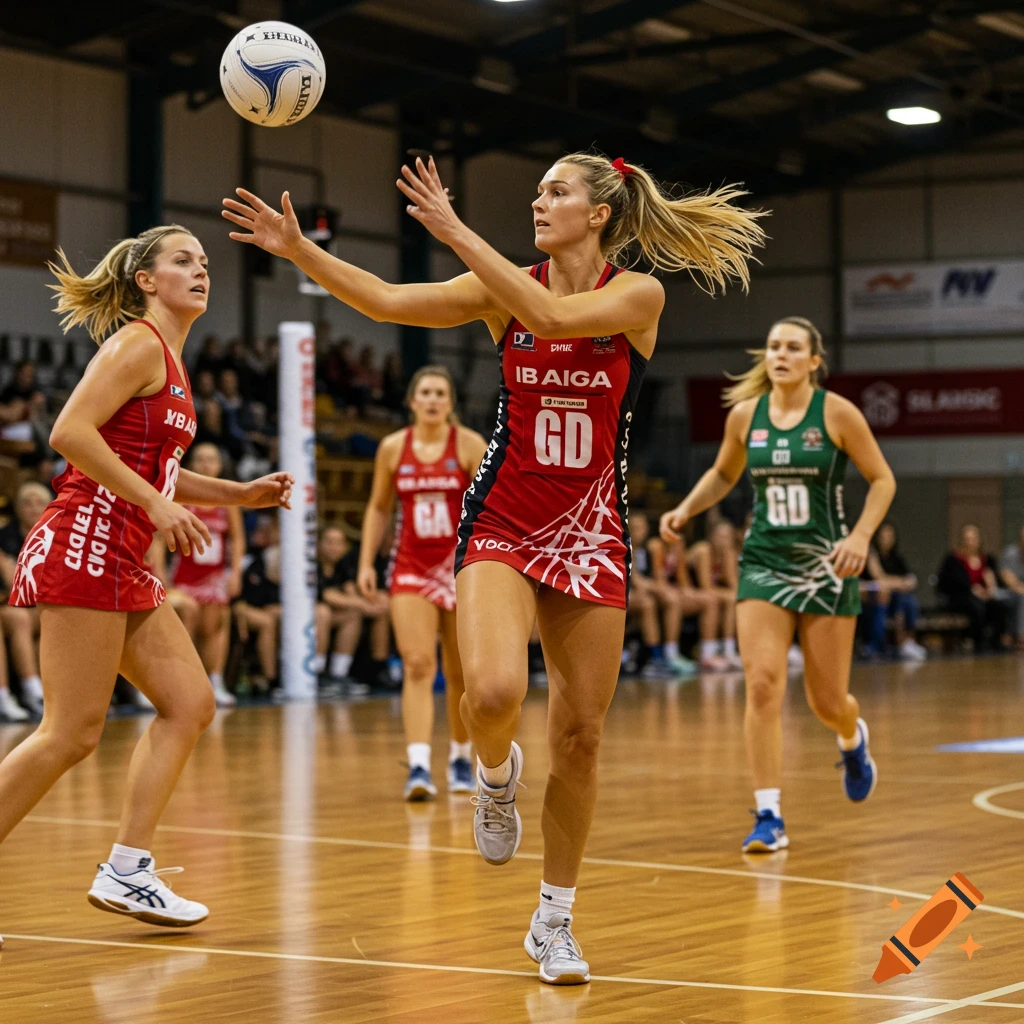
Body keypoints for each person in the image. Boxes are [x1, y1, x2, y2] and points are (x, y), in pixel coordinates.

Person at [223, 149, 765, 982]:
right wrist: (301, 252)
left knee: (581, 737)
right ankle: (495, 775)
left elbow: (551, 319)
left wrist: (453, 229)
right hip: (504, 519)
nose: (540, 202)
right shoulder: (500, 286)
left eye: (557, 192)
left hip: (591, 532)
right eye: (538, 191)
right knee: (493, 693)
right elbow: (388, 300)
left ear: (601, 214)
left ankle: (554, 922)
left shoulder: (637, 296)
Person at [0, 225, 292, 951]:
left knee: (191, 705)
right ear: (145, 280)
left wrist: (237, 494)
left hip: (125, 553)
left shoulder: (174, 361)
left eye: (203, 262)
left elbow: (157, 469)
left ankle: (127, 869)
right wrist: (158, 505)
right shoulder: (135, 344)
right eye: (182, 261)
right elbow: (70, 432)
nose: (201, 272)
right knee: (70, 734)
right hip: (87, 539)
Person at [661, 316, 896, 854]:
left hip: (828, 566)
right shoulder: (746, 416)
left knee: (828, 701)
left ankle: (851, 738)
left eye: (793, 347)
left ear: (815, 360)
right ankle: (769, 814)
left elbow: (883, 479)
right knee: (763, 683)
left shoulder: (837, 413)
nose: (781, 355)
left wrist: (860, 536)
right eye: (773, 347)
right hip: (764, 561)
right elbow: (724, 474)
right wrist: (685, 508)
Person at [357, 365, 487, 799]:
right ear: (412, 401)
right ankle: (417, 766)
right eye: (425, 392)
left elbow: (488, 511)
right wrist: (366, 562)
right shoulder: (393, 448)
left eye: (440, 393)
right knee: (417, 664)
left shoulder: (469, 445)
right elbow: (378, 508)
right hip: (410, 565)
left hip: (458, 567)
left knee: (460, 671)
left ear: (450, 403)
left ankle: (460, 757)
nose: (432, 400)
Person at [170, 442, 245, 708]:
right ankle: (183, 683)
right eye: (200, 459)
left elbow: (236, 539)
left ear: (220, 465)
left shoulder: (226, 499)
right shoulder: (180, 496)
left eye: (211, 459)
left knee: (214, 626)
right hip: (184, 574)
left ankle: (215, 681)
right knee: (186, 622)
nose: (205, 464)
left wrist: (235, 572)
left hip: (213, 575)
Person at [0, 482, 50, 716]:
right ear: (17, 508)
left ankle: (67, 694)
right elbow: (13, 587)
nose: (32, 508)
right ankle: (32, 691)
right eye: (26, 503)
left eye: (39, 503)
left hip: (38, 604)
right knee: (20, 618)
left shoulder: (57, 537)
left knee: (69, 617)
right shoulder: (4, 538)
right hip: (11, 607)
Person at [628, 512, 698, 676]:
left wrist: (662, 589)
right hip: (620, 593)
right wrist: (660, 589)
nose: (641, 531)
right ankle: (655, 658)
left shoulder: (645, 550)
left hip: (639, 593)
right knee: (648, 603)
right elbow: (637, 581)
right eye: (636, 527)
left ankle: (670, 654)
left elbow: (652, 579)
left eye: (643, 527)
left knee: (669, 600)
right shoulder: (627, 546)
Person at [314, 525, 370, 696]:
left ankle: (339, 674)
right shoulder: (312, 565)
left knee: (353, 615)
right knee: (322, 612)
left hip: (329, 616)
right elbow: (327, 595)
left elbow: (351, 592)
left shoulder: (343, 566)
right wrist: (364, 605)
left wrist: (368, 603)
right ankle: (317, 672)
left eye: (339, 543)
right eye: (329, 542)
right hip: (304, 618)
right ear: (319, 544)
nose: (334, 547)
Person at [860, 522, 927, 661]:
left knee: (908, 601)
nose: (887, 538)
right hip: (870, 598)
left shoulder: (896, 558)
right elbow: (879, 578)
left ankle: (907, 642)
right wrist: (897, 583)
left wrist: (893, 583)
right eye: (884, 535)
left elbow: (908, 580)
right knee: (882, 598)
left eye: (890, 535)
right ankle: (875, 645)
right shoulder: (871, 553)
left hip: (894, 598)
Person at [937, 524, 1008, 653]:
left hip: (985, 595)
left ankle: (995, 641)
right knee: (976, 606)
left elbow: (995, 580)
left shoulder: (987, 559)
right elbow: (951, 584)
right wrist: (973, 590)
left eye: (974, 538)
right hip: (961, 597)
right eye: (968, 538)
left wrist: (990, 587)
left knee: (1000, 606)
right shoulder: (953, 559)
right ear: (962, 540)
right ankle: (978, 641)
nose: (971, 542)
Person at [687, 519, 744, 670]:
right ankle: (707, 655)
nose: (723, 541)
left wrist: (728, 558)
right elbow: (706, 586)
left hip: (704, 595)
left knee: (735, 599)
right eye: (719, 536)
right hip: (688, 591)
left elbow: (734, 585)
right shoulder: (703, 550)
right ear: (711, 536)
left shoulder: (728, 553)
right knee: (722, 599)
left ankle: (728, 651)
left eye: (727, 537)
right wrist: (731, 594)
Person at [1000, 525, 1024, 650]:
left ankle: (1011, 634)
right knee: (1021, 598)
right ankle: (1021, 637)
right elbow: (1007, 579)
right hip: (1007, 592)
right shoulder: (1010, 553)